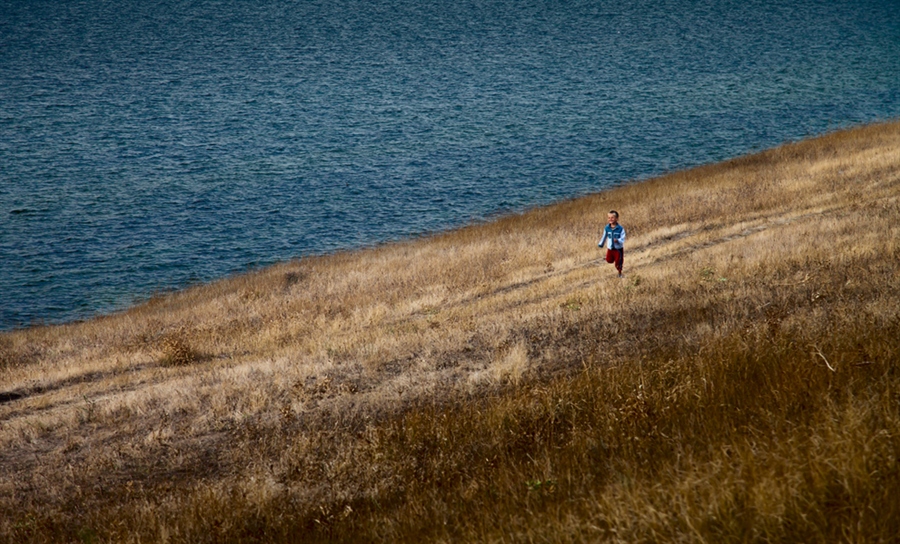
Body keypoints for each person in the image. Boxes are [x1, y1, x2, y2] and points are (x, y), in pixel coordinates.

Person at [598, 210, 626, 277]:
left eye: (612, 218)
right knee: (609, 260)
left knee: (618, 262)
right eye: (609, 218)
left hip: (618, 248)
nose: (610, 219)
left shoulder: (620, 229)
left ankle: (620, 273)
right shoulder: (607, 228)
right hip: (610, 248)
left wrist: (618, 240)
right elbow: (604, 236)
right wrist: (601, 244)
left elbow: (623, 238)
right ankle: (614, 259)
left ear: (617, 218)